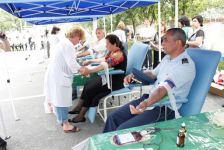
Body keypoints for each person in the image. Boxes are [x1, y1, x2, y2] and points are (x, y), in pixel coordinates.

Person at [103, 28, 196, 133]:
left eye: (166, 40)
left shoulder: (185, 66)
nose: (162, 43)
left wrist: (145, 104)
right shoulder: (167, 58)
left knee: (123, 130)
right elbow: (152, 74)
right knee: (112, 118)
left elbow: (162, 90)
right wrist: (135, 76)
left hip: (164, 108)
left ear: (178, 43)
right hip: (150, 99)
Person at [68, 34, 127, 123]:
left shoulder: (118, 55)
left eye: (107, 44)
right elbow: (104, 59)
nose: (106, 46)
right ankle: (79, 108)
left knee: (90, 89)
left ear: (114, 44)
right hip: (108, 77)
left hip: (114, 82)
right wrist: (91, 61)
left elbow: (106, 65)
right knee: (88, 84)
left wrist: (90, 71)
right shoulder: (112, 52)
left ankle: (81, 115)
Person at [44, 26, 85, 133]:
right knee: (62, 100)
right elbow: (71, 62)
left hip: (56, 74)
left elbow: (68, 59)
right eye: (79, 38)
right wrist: (81, 69)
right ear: (75, 36)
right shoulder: (68, 45)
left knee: (58, 99)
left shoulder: (64, 43)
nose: (79, 41)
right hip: (60, 77)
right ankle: (66, 124)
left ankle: (63, 121)